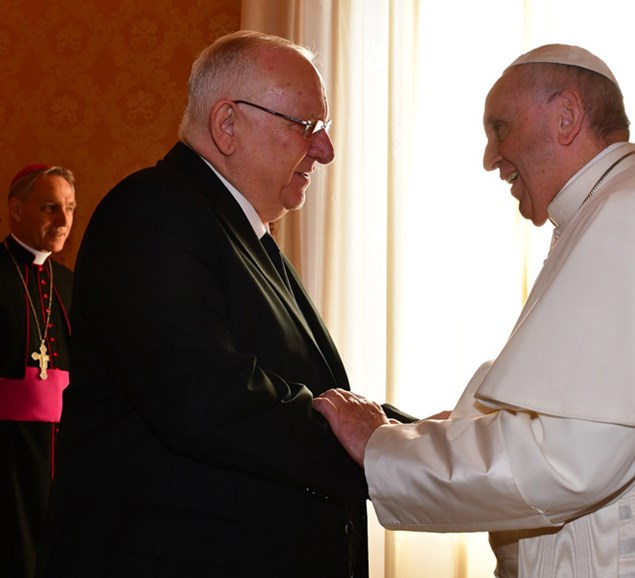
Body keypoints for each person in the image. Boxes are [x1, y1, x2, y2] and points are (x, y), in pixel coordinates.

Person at [314, 44, 635, 577]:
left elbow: (570, 459)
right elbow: (588, 407)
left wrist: (384, 447)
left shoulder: (633, 214)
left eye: (500, 128)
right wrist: (450, 431)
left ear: (568, 116)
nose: (490, 157)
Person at [36, 31, 408, 578]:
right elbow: (209, 396)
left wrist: (418, 438)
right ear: (227, 123)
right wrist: (399, 451)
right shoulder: (152, 213)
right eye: (307, 126)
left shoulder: (238, 230)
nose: (325, 150)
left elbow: (323, 397)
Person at [0, 164, 76, 578]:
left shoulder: (69, 283)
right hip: (7, 451)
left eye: (69, 208)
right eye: (50, 207)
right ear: (16, 209)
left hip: (62, 450)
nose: (63, 221)